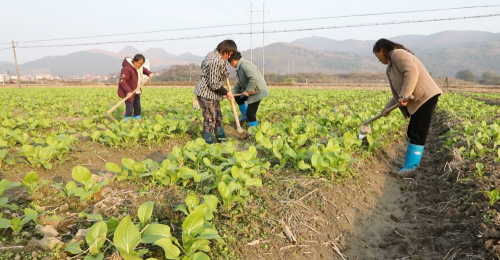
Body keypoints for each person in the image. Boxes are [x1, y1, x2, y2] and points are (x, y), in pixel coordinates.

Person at [373, 38, 442, 175]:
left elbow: (411, 73)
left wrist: (405, 95)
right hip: (418, 98)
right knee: (413, 131)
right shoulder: (391, 66)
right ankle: (409, 165)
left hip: (425, 97)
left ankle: (410, 168)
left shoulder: (398, 53)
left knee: (417, 132)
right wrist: (387, 108)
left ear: (381, 49)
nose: (378, 60)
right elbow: (398, 92)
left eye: (377, 56)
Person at [193, 40, 236, 144]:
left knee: (218, 117)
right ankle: (206, 144)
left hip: (214, 94)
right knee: (210, 119)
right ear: (225, 50)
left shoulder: (215, 55)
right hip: (206, 94)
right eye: (229, 54)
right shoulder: (215, 61)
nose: (229, 57)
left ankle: (222, 141)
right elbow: (213, 84)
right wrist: (226, 92)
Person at [228, 52, 269, 128]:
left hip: (257, 91)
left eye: (230, 63)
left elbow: (254, 78)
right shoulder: (240, 67)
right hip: (251, 91)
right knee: (238, 97)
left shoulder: (245, 65)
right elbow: (240, 84)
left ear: (233, 60)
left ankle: (253, 131)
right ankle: (245, 116)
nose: (231, 65)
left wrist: (248, 90)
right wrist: (229, 93)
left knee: (251, 113)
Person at [118, 54, 154, 120]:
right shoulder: (127, 69)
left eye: (141, 64)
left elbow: (144, 70)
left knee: (137, 106)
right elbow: (123, 81)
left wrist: (149, 73)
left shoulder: (139, 68)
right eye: (137, 63)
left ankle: (137, 118)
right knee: (129, 108)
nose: (139, 65)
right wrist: (128, 91)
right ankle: (127, 121)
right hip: (129, 91)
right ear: (134, 61)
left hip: (136, 90)